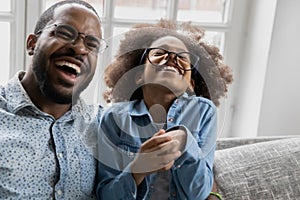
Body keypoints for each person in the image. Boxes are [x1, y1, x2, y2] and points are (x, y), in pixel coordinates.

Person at [96, 20, 233, 200]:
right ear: (138, 76)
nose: (171, 58)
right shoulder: (114, 118)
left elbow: (199, 194)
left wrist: (186, 141)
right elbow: (106, 195)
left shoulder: (204, 111)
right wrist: (137, 169)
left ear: (190, 84)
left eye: (183, 57)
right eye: (159, 53)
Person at [0, 0, 107, 199]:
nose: (80, 49)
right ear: (32, 44)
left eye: (92, 45)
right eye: (65, 34)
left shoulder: (102, 125)